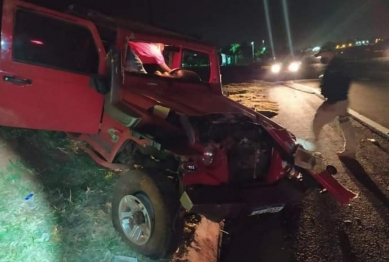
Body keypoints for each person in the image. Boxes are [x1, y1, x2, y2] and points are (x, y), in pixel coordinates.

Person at [312, 42, 357, 158]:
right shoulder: (337, 64)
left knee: (317, 122)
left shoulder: (336, 66)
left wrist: (331, 101)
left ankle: (314, 149)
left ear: (328, 53)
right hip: (341, 100)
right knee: (345, 123)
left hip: (335, 101)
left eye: (322, 55)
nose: (321, 58)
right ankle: (350, 150)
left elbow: (339, 84)